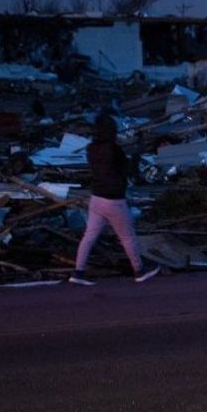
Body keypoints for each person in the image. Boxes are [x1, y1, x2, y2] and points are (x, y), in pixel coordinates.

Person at [69, 112, 160, 285]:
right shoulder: (113, 149)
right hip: (114, 199)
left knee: (89, 236)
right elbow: (128, 169)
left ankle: (78, 272)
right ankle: (139, 271)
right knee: (127, 237)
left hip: (96, 198)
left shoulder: (91, 149)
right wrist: (138, 148)